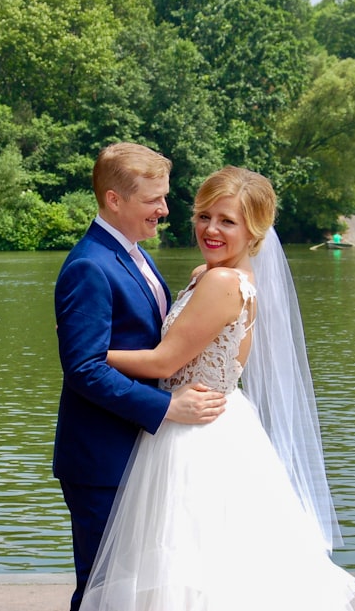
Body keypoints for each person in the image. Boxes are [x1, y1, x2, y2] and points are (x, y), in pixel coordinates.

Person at [80, 166, 355, 611]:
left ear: (255, 230)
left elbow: (163, 361)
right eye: (204, 216)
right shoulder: (216, 273)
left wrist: (90, 354)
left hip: (197, 434)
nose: (210, 229)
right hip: (205, 419)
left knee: (194, 572)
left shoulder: (222, 282)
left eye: (227, 221)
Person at [54, 142, 228, 611]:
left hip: (142, 453)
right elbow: (84, 369)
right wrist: (168, 407)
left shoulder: (137, 256)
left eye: (165, 197)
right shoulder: (90, 266)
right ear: (115, 200)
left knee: (137, 589)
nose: (165, 209)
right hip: (101, 459)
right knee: (101, 591)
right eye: (154, 199)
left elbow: (154, 344)